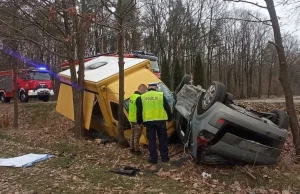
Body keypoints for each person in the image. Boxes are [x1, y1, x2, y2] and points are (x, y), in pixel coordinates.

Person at [136, 83, 172, 164]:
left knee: (151, 140)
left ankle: (153, 158)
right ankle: (165, 157)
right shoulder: (160, 95)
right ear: (155, 88)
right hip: (161, 121)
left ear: (148, 89)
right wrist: (170, 118)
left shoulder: (141, 97)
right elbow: (167, 108)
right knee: (162, 139)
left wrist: (139, 122)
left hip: (149, 122)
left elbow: (139, 112)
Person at [128, 84, 148, 155]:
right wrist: (141, 121)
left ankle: (131, 148)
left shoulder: (132, 96)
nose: (146, 92)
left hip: (131, 118)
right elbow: (140, 111)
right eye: (145, 90)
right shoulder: (139, 98)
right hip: (137, 119)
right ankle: (136, 150)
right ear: (143, 89)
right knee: (137, 135)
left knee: (133, 134)